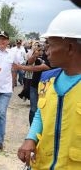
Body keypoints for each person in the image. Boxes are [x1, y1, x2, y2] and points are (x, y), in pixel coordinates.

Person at [17, 9, 81, 169]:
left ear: (71, 48)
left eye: (50, 45)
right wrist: (31, 138)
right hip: (42, 164)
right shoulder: (47, 79)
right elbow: (41, 112)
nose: (46, 51)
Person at [13, 41, 52, 126]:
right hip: (35, 84)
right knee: (33, 109)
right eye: (45, 43)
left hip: (47, 86)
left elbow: (42, 67)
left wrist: (21, 67)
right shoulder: (36, 53)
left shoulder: (52, 55)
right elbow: (29, 62)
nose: (45, 46)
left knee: (44, 109)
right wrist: (34, 55)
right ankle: (32, 130)